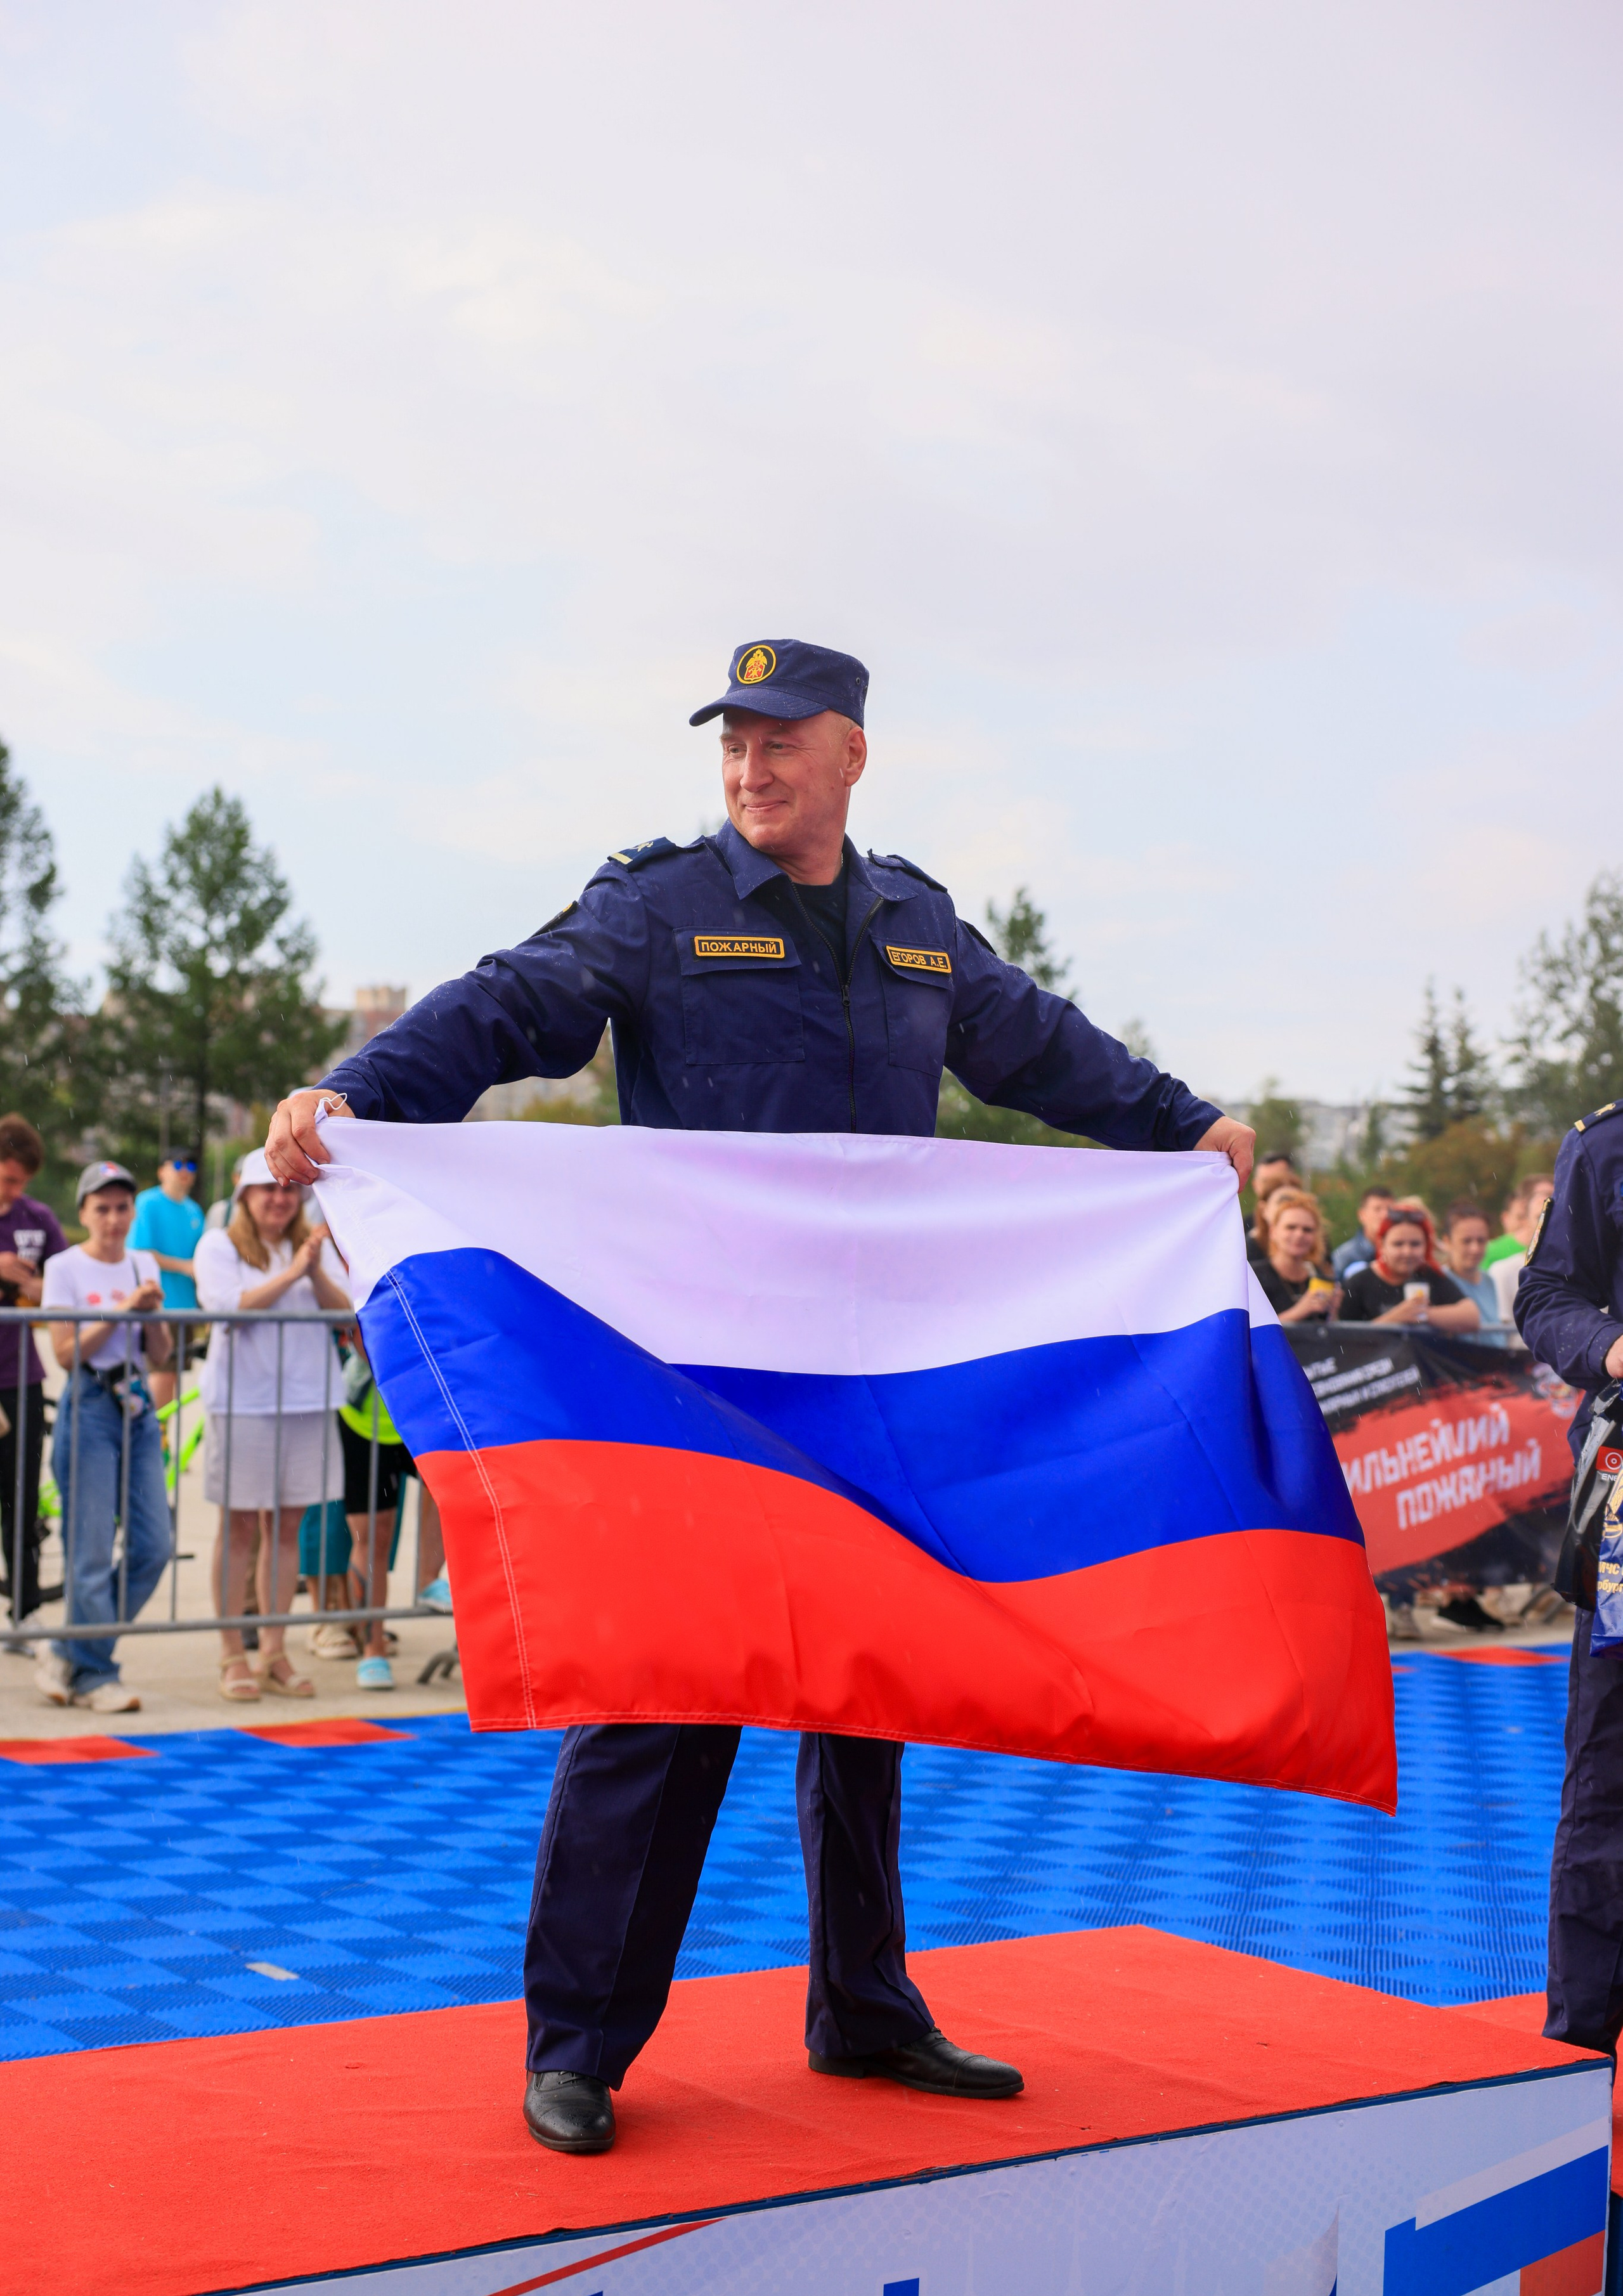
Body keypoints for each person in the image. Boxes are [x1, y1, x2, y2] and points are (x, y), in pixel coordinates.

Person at [266, 633, 1256, 2157]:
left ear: (849, 752)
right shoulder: (655, 906)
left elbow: (1035, 1043)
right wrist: (361, 1088)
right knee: (659, 1701)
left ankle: (862, 2003)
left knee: (873, 1692)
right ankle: (577, 2042)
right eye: (731, 741)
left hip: (867, 1381)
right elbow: (509, 1004)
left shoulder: (914, 922)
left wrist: (1181, 1123)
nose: (748, 766)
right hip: (698, 1385)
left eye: (779, 739)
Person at [1512, 1102, 1623, 2053]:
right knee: (1608, 1781)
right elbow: (1546, 1294)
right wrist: (1610, 1346)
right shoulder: (1605, 1147)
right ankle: (1580, 2059)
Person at [193, 1150, 351, 1701]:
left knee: (287, 1531)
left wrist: (313, 1269)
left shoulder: (314, 1245)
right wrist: (293, 1273)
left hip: (308, 1402)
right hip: (243, 1404)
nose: (280, 1199)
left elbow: (346, 1311)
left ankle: (274, 1652)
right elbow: (228, 1309)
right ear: (246, 1195)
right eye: (269, 1189)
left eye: (288, 1190)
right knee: (239, 1529)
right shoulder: (219, 1245)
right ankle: (231, 1653)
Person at [37, 1162, 174, 1713]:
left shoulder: (143, 1263)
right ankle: (95, 1674)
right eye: (103, 1209)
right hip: (90, 1404)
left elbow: (161, 1354)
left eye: (122, 1208)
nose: (114, 1219)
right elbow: (65, 1354)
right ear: (84, 1213)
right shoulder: (64, 1267)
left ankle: (72, 1649)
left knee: (154, 1546)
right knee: (90, 1550)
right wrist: (122, 1310)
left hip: (136, 1405)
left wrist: (153, 1315)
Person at [336, 1342, 448, 1690]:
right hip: (365, 1418)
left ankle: (428, 1580)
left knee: (445, 1492)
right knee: (373, 1534)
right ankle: (373, 1649)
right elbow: (363, 1338)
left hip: (425, 1408)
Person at [0, 1113, 67, 1626]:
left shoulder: (37, 1218)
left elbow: (68, 1282)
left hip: (18, 1373)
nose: (14, 1191)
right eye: (7, 1179)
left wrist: (39, 1287)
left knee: (20, 1500)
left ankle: (24, 1611)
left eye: (22, 1182)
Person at [129, 1153, 206, 1414]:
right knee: (161, 1377)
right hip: (157, 1305)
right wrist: (185, 1266)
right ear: (161, 1171)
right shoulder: (147, 1202)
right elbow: (140, 1252)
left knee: (170, 1380)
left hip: (186, 1308)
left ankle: (159, 1434)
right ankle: (151, 1434)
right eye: (177, 1164)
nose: (185, 1170)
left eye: (191, 1165)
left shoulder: (194, 1210)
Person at [1337, 1206, 1480, 1332]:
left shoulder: (1428, 1275)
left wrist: (1422, 1314)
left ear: (1426, 1245)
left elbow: (1471, 1317)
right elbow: (1344, 1339)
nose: (1407, 1252)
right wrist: (1394, 1319)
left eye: (1415, 1244)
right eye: (1398, 1244)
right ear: (1382, 1245)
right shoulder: (1359, 1283)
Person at [1251, 1190, 1342, 1323]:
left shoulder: (1318, 1275)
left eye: (1307, 1230)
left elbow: (1327, 1331)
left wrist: (1333, 1310)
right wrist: (1301, 1310)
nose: (1299, 1235)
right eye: (1291, 1227)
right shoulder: (1254, 1277)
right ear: (1273, 1232)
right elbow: (1252, 1330)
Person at [1439, 1200, 1499, 1328]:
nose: (1475, 1249)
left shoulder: (1489, 1280)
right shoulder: (1439, 1280)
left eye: (1481, 1241)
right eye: (1466, 1241)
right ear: (1447, 1242)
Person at [1485, 1176, 1555, 1271]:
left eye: (1553, 1194)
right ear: (1524, 1204)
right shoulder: (1491, 1253)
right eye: (1542, 1194)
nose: (1550, 1200)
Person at [1332, 1184, 1395, 1281]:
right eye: (1377, 1209)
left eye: (1390, 1210)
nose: (1385, 1215)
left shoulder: (1403, 1254)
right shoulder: (1345, 1256)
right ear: (1362, 1215)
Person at [1246, 1152, 1303, 1259]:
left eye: (1279, 1181)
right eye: (1266, 1182)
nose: (1273, 1188)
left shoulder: (1311, 1232)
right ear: (1255, 1185)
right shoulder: (1241, 1230)